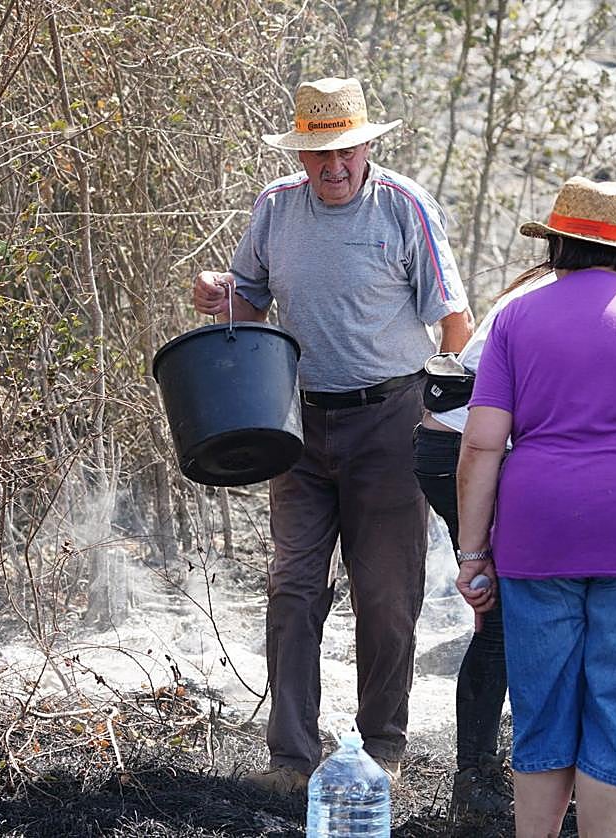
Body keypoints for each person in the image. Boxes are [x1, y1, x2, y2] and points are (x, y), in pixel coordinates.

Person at [191, 76, 474, 795]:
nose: (335, 166)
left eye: (347, 151)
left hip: (392, 419)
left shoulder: (403, 206)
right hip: (299, 422)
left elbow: (455, 322)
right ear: (301, 154)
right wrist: (221, 294)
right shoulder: (276, 207)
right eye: (321, 153)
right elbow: (248, 301)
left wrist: (445, 418)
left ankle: (382, 746)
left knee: (386, 594)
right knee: (293, 586)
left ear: (367, 147)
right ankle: (290, 759)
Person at [413, 182, 616, 819]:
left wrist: (473, 555)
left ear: (556, 243)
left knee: (543, 709)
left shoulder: (518, 314)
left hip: (540, 530)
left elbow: (481, 444)